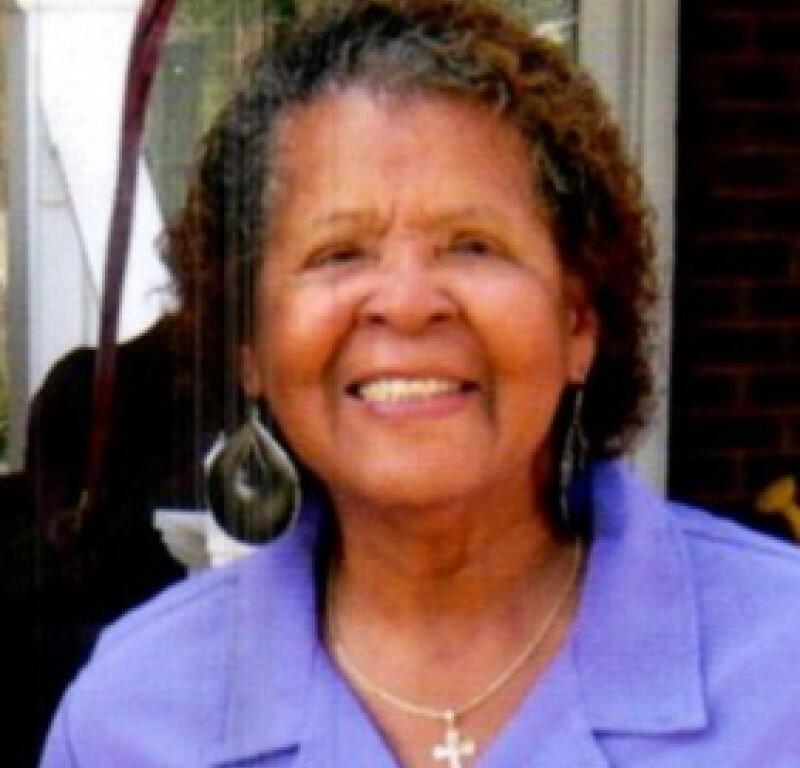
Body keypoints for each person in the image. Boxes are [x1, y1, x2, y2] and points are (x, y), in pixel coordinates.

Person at [40, 1, 800, 765]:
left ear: (578, 323)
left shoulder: (780, 669)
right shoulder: (133, 716)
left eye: (472, 245)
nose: (406, 303)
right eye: (339, 253)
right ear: (252, 350)